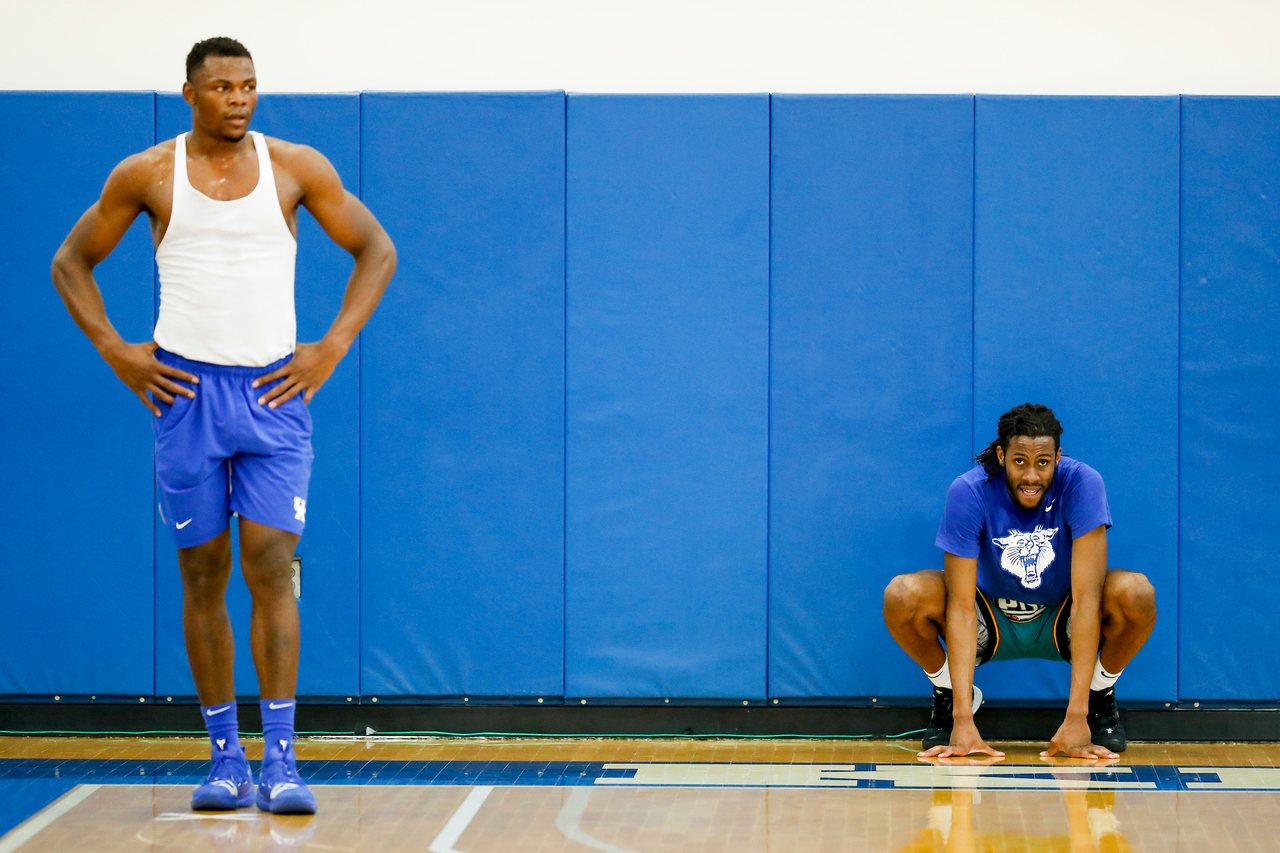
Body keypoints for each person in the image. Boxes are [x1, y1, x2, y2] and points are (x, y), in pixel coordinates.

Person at [51, 37, 396, 813]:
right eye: (222, 88)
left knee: (271, 564)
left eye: (249, 86)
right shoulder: (148, 173)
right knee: (202, 574)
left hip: (273, 395)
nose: (238, 99)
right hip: (184, 394)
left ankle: (282, 760)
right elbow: (70, 260)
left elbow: (376, 248)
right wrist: (117, 351)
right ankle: (224, 758)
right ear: (190, 94)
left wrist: (332, 346)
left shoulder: (296, 166)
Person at [882, 403, 1156, 759]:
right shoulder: (969, 490)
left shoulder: (1083, 483)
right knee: (904, 594)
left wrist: (1077, 718)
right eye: (1019, 462)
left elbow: (1087, 599)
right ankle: (949, 695)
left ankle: (1097, 693)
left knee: (1135, 593)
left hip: (1062, 615)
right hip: (989, 617)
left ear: (1058, 456)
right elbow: (962, 607)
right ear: (1001, 454)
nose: (1031, 476)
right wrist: (962, 722)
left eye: (1042, 462)